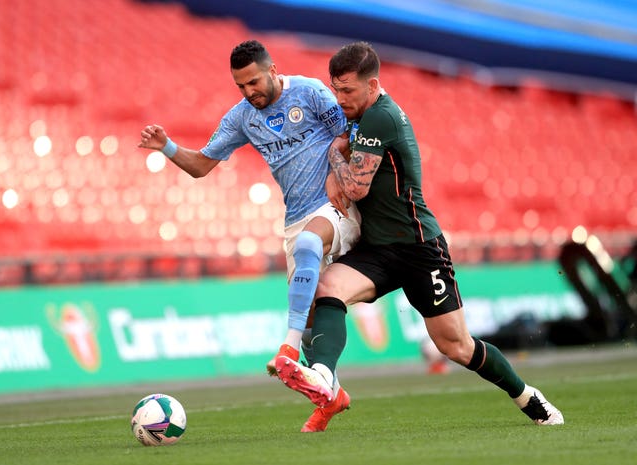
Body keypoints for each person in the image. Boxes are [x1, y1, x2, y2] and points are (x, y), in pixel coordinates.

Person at [275, 41, 564, 432]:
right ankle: (324, 375)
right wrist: (340, 149)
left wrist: (333, 157)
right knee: (326, 288)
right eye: (336, 89)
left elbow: (356, 188)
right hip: (377, 248)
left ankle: (527, 396)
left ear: (373, 85)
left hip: (418, 249)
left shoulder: (381, 118)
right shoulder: (360, 114)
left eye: (347, 91)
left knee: (456, 346)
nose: (339, 98)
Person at [138, 40, 361, 380]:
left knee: (308, 245)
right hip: (296, 218)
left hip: (337, 207)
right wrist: (165, 146)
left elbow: (350, 136)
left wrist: (335, 173)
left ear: (272, 70)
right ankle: (326, 388)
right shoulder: (242, 117)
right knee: (311, 318)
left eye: (254, 81)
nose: (248, 91)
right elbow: (200, 166)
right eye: (240, 85)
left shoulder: (310, 93)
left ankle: (286, 347)